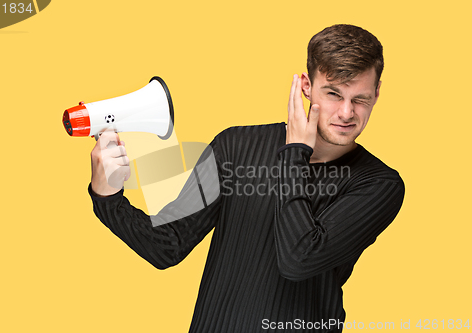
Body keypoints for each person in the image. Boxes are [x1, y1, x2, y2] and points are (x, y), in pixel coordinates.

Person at [88, 24, 405, 332]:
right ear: (307, 86)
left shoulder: (378, 184)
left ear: (377, 93)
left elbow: (298, 259)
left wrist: (294, 153)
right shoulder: (236, 145)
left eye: (360, 99)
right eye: (334, 94)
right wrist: (107, 196)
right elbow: (167, 246)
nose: (347, 113)